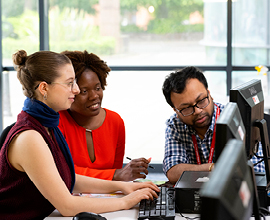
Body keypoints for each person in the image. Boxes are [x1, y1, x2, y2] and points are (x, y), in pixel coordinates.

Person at [0, 50, 159, 219]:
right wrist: (126, 202)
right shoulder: (30, 137)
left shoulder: (47, 124)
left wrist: (121, 186)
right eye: (69, 83)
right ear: (44, 88)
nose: (75, 90)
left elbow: (67, 178)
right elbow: (67, 206)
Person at [58, 50, 151, 181]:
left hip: (106, 197)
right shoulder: (57, 121)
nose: (94, 96)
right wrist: (116, 175)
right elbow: (62, 172)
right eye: (84, 91)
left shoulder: (115, 121)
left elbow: (116, 175)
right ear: (69, 91)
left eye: (97, 88)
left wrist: (124, 173)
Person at [162, 66, 265, 184]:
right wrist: (215, 168)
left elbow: (257, 172)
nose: (198, 111)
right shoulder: (175, 125)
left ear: (209, 94)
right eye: (186, 108)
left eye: (201, 101)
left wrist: (197, 170)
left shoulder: (235, 118)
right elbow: (173, 172)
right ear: (175, 110)